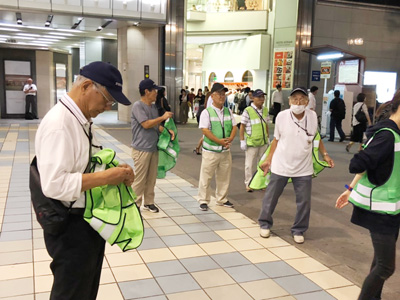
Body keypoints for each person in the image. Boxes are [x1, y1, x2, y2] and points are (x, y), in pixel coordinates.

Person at [34, 61, 135, 300]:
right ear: (87, 86)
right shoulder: (60, 124)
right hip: (69, 225)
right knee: (71, 292)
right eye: (107, 99)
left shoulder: (79, 119)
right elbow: (54, 184)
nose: (108, 106)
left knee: (85, 289)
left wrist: (115, 171)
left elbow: (82, 164)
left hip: (85, 220)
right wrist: (105, 177)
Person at [336, 89, 400, 300]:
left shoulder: (395, 134)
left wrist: (351, 189)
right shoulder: (387, 136)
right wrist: (351, 187)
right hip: (380, 211)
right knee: (385, 266)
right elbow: (360, 162)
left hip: (391, 209)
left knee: (379, 262)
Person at [258, 87, 334, 244]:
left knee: (304, 201)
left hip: (303, 167)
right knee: (271, 197)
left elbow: (316, 138)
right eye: (295, 99)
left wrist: (325, 154)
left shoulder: (312, 116)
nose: (298, 102)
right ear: (289, 101)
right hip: (281, 164)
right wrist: (269, 159)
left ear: (307, 101)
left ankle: (299, 229)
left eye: (301, 99)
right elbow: (276, 140)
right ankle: (265, 224)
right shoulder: (282, 116)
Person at [131, 79, 174, 213]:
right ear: (146, 91)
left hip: (153, 147)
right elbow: (146, 124)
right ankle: (135, 204)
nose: (156, 93)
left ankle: (149, 202)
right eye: (154, 90)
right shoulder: (138, 106)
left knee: (151, 178)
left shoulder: (153, 107)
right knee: (140, 179)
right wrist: (163, 117)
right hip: (141, 149)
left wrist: (166, 131)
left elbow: (155, 126)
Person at [197, 82, 237, 211]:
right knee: (206, 176)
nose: (222, 96)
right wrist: (219, 141)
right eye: (219, 94)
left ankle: (222, 199)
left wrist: (230, 138)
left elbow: (234, 126)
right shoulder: (207, 112)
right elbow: (205, 130)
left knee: (224, 176)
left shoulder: (228, 111)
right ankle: (203, 200)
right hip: (211, 151)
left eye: (223, 94)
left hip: (225, 151)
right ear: (212, 96)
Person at [240, 89, 269, 192]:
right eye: (259, 97)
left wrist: (268, 137)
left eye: (263, 97)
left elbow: (266, 124)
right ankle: (248, 183)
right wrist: (242, 140)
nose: (262, 99)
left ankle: (261, 183)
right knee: (249, 164)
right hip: (251, 142)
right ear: (253, 98)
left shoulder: (265, 110)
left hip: (263, 141)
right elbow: (242, 126)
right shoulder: (248, 110)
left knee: (262, 164)